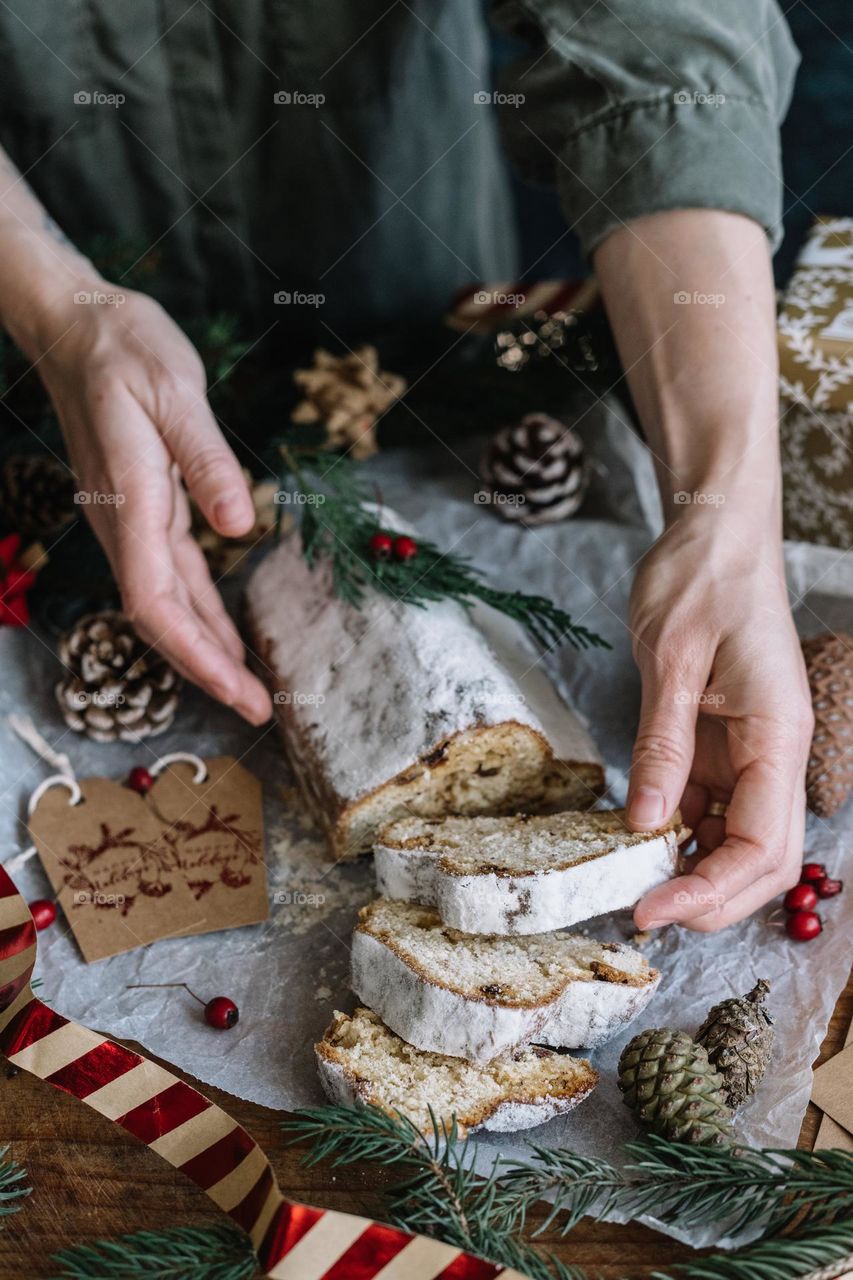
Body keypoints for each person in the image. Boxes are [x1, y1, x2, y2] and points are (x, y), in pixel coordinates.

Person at [0, 2, 813, 932]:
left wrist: (727, 514)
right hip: (36, 323)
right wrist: (58, 311)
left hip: (421, 331)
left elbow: (660, 43)